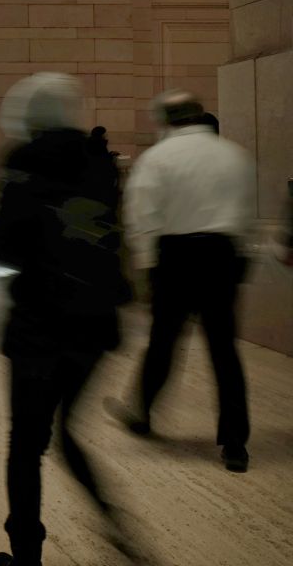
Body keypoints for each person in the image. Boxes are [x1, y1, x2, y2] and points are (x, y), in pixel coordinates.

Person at [0, 74, 134, 566]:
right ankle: (113, 520)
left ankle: (26, 554)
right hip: (96, 321)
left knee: (26, 443)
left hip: (39, 324)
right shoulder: (101, 161)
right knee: (66, 432)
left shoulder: (23, 163)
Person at [118, 89, 255, 472]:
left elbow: (142, 215)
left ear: (165, 119)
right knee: (224, 352)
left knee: (163, 342)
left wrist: (145, 267)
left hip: (176, 257)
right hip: (222, 256)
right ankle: (234, 444)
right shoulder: (234, 155)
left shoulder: (158, 158)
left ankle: (143, 413)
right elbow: (245, 210)